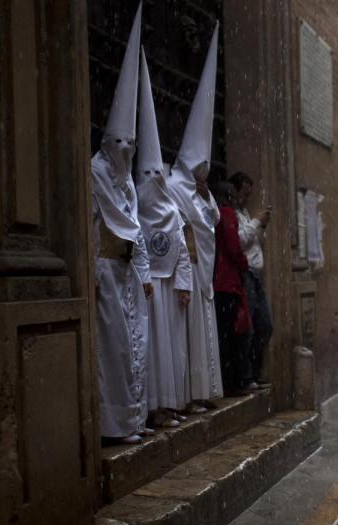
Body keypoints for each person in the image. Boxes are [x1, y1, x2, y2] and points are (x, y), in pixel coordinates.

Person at [92, 7, 152, 444]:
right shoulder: (97, 170)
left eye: (131, 144)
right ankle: (114, 424)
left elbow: (137, 224)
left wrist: (145, 271)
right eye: (121, 143)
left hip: (129, 272)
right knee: (113, 346)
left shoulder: (128, 177)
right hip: (108, 270)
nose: (126, 150)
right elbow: (117, 222)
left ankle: (134, 419)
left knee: (136, 345)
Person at [165, 25, 224, 407]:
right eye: (199, 166)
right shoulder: (172, 184)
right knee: (187, 338)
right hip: (186, 271)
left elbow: (213, 221)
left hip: (204, 277)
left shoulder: (201, 190)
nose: (203, 172)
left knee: (206, 333)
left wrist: (207, 198)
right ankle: (188, 394)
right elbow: (185, 226)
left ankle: (208, 391)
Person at [135, 52, 194, 427]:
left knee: (170, 352)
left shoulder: (172, 211)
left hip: (169, 289)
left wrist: (184, 284)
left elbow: (183, 251)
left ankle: (170, 404)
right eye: (150, 172)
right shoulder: (135, 207)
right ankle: (150, 408)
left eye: (161, 173)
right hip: (147, 290)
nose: (157, 178)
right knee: (150, 352)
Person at [230, 172, 273, 389]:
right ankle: (245, 377)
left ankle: (254, 373)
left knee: (264, 325)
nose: (246, 198)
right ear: (235, 191)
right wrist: (256, 222)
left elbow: (256, 243)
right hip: (245, 275)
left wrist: (260, 225)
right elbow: (240, 242)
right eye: (244, 193)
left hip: (255, 276)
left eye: (249, 193)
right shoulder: (232, 216)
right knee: (247, 327)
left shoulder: (245, 213)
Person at [213, 182, 253, 396]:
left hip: (219, 281)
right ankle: (234, 382)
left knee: (224, 333)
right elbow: (233, 246)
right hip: (228, 283)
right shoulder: (226, 214)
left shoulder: (215, 214)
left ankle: (227, 381)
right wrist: (243, 264)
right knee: (234, 333)